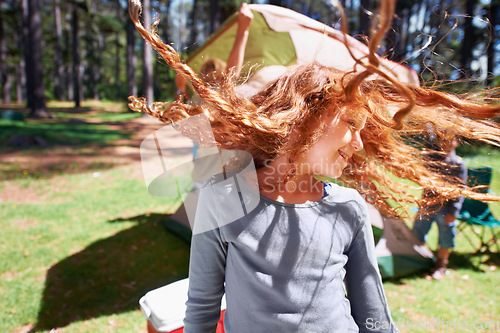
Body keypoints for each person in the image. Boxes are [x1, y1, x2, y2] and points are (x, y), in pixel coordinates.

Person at [128, 0, 500, 331]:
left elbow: (374, 313)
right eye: (352, 125)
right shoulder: (222, 200)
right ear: (303, 118)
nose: (357, 144)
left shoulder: (348, 207)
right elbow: (202, 309)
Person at [412, 131, 467, 280]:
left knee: (446, 235)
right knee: (418, 231)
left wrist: (454, 212)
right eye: (443, 141)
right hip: (429, 205)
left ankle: (440, 266)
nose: (446, 144)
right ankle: (419, 261)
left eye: (450, 141)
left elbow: (460, 191)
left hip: (447, 208)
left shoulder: (458, 164)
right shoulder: (431, 159)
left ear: (456, 142)